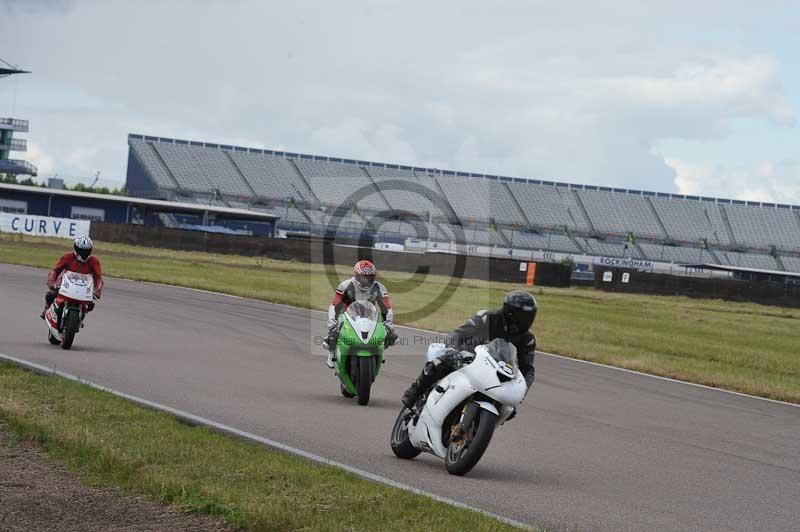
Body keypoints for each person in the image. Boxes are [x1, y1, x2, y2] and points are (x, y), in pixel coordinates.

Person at [401, 290, 537, 408]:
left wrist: (522, 391)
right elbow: (457, 334)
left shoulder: (528, 339)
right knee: (439, 362)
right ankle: (414, 392)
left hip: (495, 373)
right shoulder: (488, 318)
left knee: (508, 408)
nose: (526, 321)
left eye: (529, 317)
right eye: (523, 317)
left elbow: (528, 369)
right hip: (466, 359)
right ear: (510, 313)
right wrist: (453, 350)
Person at [323, 259, 397, 368]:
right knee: (333, 334)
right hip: (347, 315)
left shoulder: (379, 287)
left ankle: (379, 352)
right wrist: (332, 322)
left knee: (391, 336)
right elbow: (335, 305)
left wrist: (389, 323)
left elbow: (386, 307)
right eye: (363, 277)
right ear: (356, 275)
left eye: (370, 277)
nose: (366, 280)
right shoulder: (345, 285)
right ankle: (332, 353)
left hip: (369, 315)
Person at [41, 236, 104, 319]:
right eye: (81, 250)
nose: (83, 253)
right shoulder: (68, 257)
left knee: (91, 305)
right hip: (66, 283)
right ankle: (46, 309)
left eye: (86, 251)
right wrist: (52, 281)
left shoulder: (94, 261)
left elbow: (98, 277)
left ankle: (80, 316)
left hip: (84, 287)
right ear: (76, 248)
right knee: (51, 294)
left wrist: (97, 291)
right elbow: (56, 270)